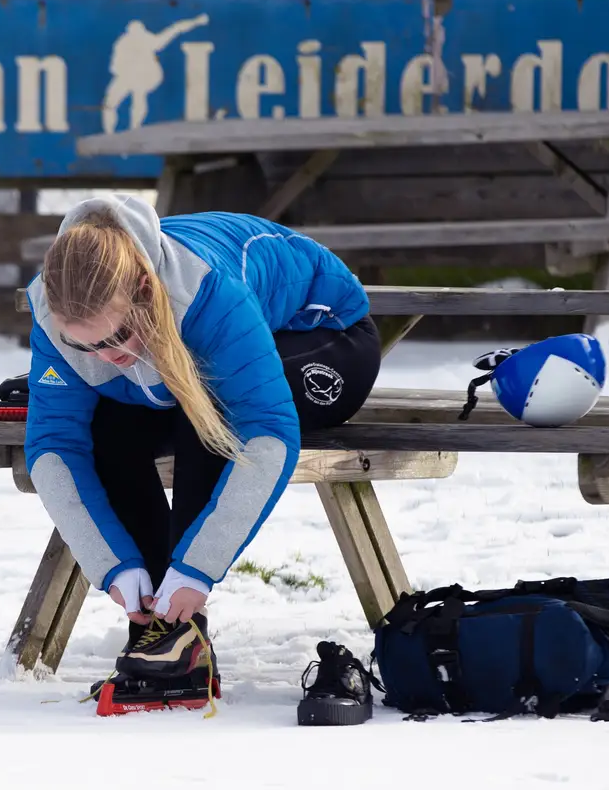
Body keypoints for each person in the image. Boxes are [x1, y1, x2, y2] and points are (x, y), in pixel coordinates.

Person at [23, 194, 381, 689]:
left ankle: (182, 622)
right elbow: (54, 446)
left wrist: (197, 568)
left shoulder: (208, 294)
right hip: (182, 356)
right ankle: (156, 622)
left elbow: (267, 435)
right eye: (83, 345)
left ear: (145, 288)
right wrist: (113, 566)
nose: (104, 357)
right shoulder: (53, 307)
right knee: (101, 429)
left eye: (116, 335)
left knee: (210, 410)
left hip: (324, 333)